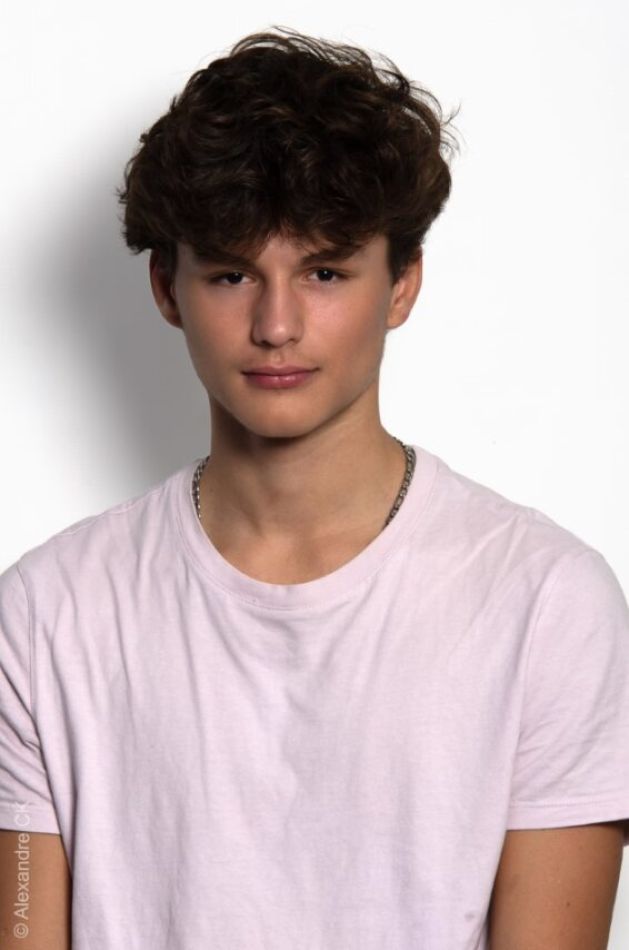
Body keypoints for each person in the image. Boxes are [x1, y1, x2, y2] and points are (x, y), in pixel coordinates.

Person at [1, 25, 628, 950]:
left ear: (402, 283)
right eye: (230, 274)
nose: (276, 324)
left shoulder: (544, 603)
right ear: (167, 289)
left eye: (325, 271)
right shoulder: (47, 612)